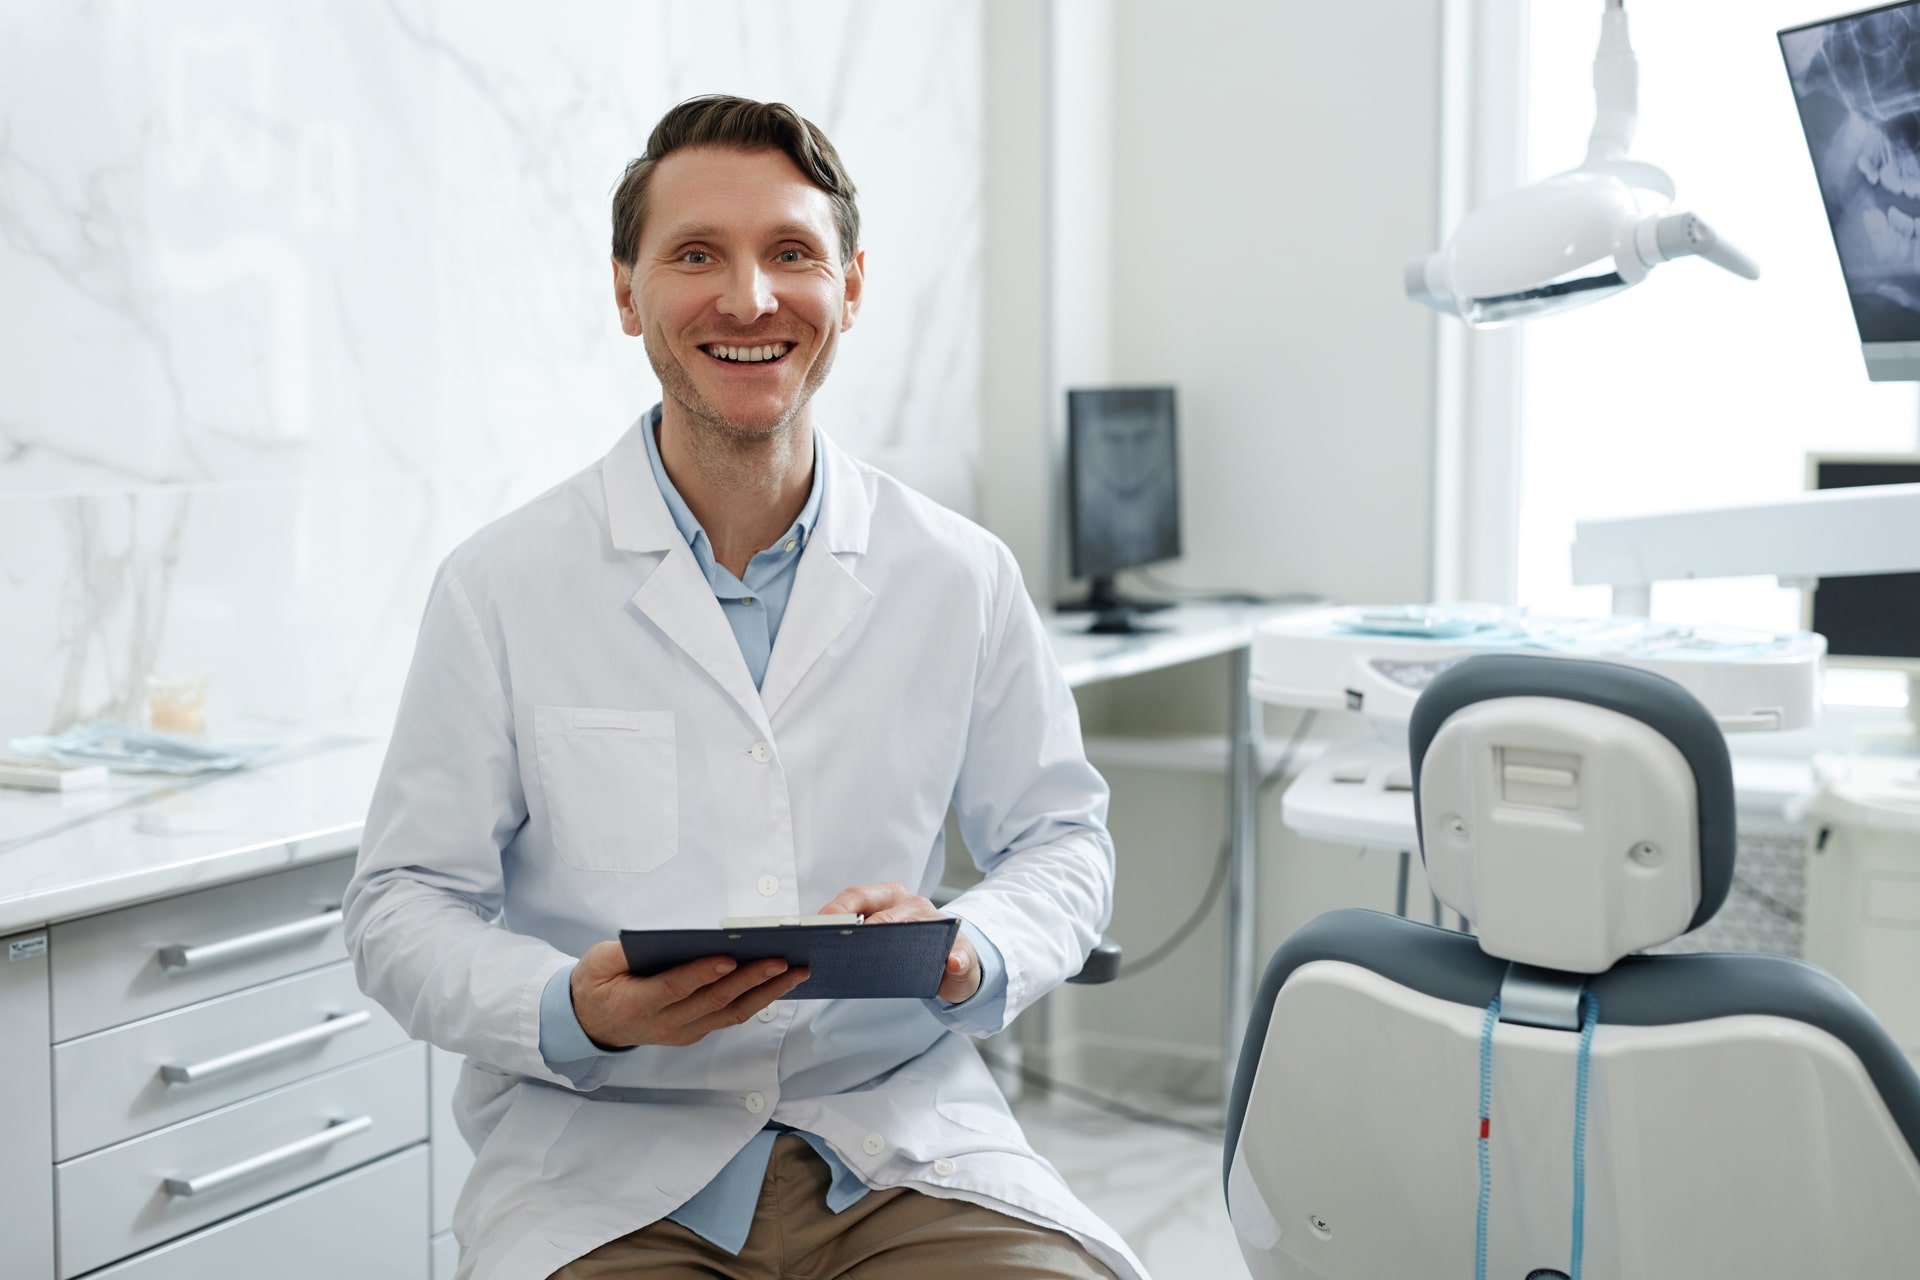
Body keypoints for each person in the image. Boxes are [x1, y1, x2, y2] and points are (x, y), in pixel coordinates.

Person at [343, 95, 1145, 1280]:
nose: (751, 299)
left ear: (852, 287)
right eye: (696, 255)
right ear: (627, 293)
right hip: (612, 1164)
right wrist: (575, 1005)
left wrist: (970, 944)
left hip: (895, 1147)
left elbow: (1065, 839)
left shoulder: (959, 573)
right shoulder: (501, 586)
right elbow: (400, 902)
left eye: (791, 254)